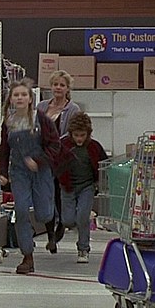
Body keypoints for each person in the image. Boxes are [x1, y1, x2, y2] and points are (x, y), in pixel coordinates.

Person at [0, 79, 61, 274]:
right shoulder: (8, 122)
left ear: (30, 99)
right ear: (11, 99)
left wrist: (39, 161)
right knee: (21, 210)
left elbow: (55, 145)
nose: (20, 98)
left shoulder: (42, 119)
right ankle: (27, 256)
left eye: (23, 94)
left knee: (44, 214)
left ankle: (54, 221)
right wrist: (2, 172)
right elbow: (3, 149)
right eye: (16, 95)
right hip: (19, 173)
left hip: (41, 171)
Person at [35, 70, 81, 253]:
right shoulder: (41, 106)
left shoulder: (73, 109)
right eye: (55, 84)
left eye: (62, 85)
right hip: (44, 158)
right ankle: (50, 236)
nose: (58, 88)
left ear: (67, 88)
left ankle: (61, 224)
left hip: (61, 158)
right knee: (46, 194)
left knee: (59, 194)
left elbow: (74, 134)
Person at [56, 112, 108, 263]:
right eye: (76, 135)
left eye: (82, 135)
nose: (79, 138)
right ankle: (71, 224)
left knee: (83, 218)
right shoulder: (63, 145)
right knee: (67, 220)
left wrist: (102, 183)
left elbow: (105, 165)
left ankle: (83, 249)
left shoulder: (94, 147)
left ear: (88, 134)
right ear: (71, 134)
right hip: (67, 187)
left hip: (87, 187)